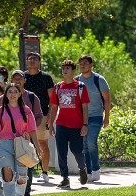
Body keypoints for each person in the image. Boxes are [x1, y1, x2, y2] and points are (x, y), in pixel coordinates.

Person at [0, 83, 37, 196]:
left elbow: (32, 130)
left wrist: (38, 148)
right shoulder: (1, 111)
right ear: (6, 94)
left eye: (15, 91)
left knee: (22, 175)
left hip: (21, 144)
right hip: (4, 143)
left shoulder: (26, 110)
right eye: (9, 91)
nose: (12, 94)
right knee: (7, 173)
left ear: (20, 94)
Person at [48, 59, 90, 188]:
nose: (64, 71)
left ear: (73, 71)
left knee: (77, 150)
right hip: (61, 124)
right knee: (61, 151)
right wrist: (51, 124)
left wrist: (85, 125)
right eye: (63, 69)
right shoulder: (58, 87)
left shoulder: (80, 87)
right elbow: (54, 107)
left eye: (67, 69)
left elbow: (84, 107)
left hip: (76, 125)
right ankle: (65, 178)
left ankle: (82, 169)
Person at [78, 55, 111, 182]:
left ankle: (96, 169)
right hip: (81, 118)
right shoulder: (77, 80)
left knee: (91, 142)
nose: (82, 65)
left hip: (96, 115)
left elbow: (107, 100)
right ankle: (89, 171)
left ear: (91, 65)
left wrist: (107, 117)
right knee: (84, 145)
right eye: (81, 63)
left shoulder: (99, 79)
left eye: (85, 63)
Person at [24, 52, 55, 183]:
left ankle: (45, 172)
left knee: (42, 143)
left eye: (35, 59)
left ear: (39, 61)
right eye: (30, 59)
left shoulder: (46, 77)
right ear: (26, 61)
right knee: (24, 143)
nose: (32, 61)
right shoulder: (22, 77)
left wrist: (50, 117)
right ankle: (24, 171)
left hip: (41, 115)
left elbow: (52, 100)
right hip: (23, 116)